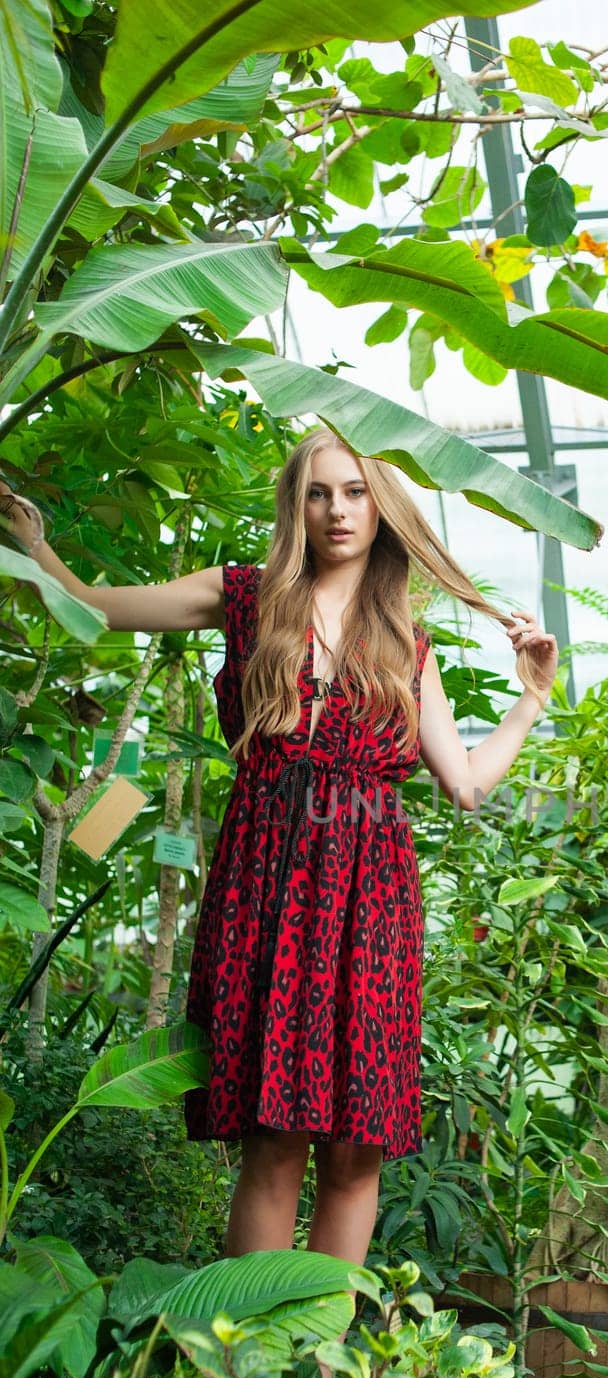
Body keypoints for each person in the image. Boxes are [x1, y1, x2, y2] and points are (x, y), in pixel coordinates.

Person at [0, 431, 559, 1270]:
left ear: (382, 507)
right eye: (318, 493)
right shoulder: (244, 598)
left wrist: (529, 702)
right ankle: (250, 1376)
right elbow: (94, 606)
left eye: (356, 492)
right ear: (295, 506)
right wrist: (33, 544)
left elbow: (465, 783)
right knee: (273, 1137)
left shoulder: (406, 643)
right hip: (266, 884)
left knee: (355, 1147)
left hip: (370, 903)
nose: (338, 510)